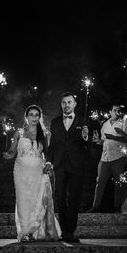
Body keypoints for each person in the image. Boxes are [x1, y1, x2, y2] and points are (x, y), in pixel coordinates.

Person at [4, 105, 60, 241]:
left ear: (40, 117)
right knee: (23, 200)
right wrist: (8, 154)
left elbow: (48, 154)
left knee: (36, 200)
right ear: (26, 117)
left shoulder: (45, 133)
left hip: (37, 171)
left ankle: (33, 231)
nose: (34, 117)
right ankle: (24, 231)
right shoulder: (19, 133)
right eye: (31, 114)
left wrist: (48, 164)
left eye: (36, 115)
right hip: (21, 171)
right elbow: (12, 151)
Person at [47, 92, 93, 243]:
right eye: (64, 102)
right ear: (61, 105)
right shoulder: (55, 122)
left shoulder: (84, 120)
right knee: (60, 197)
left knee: (74, 198)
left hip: (76, 165)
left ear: (74, 104)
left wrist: (86, 137)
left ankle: (69, 232)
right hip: (59, 164)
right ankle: (64, 229)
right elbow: (52, 144)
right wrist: (48, 161)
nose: (66, 105)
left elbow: (88, 145)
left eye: (69, 102)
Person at [86, 104, 127, 213]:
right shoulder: (105, 124)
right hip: (104, 158)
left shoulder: (125, 123)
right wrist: (99, 141)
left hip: (118, 157)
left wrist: (113, 137)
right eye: (114, 110)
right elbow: (104, 141)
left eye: (118, 110)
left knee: (119, 183)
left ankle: (118, 207)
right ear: (110, 111)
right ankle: (95, 206)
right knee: (99, 182)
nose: (116, 112)